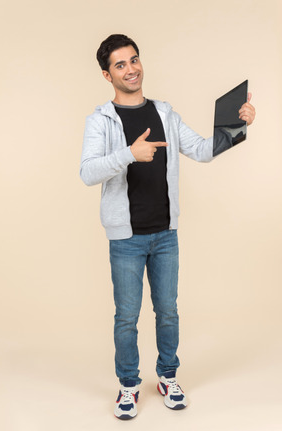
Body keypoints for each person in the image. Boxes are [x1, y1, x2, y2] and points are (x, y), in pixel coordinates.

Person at [80, 34, 256, 420]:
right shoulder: (101, 120)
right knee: (126, 317)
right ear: (107, 75)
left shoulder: (165, 114)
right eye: (120, 65)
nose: (131, 69)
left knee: (168, 311)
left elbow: (202, 150)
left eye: (134, 60)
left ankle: (167, 376)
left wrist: (237, 128)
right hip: (126, 238)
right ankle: (128, 385)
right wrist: (129, 153)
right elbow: (87, 172)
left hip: (165, 234)